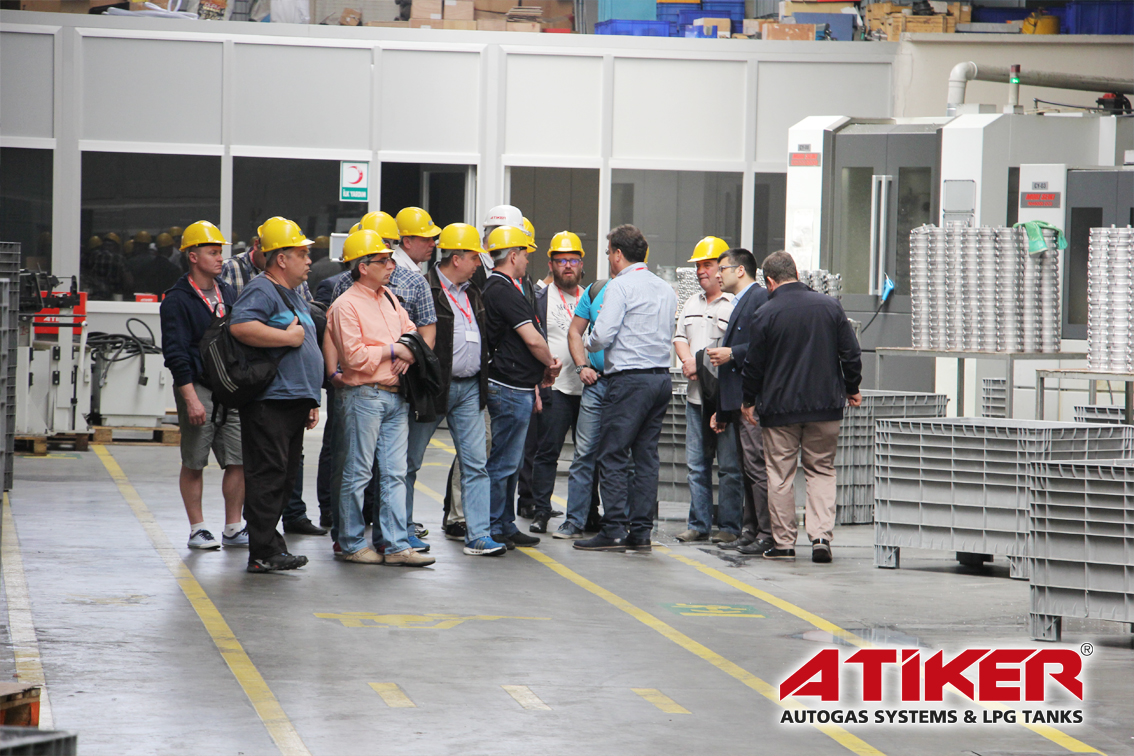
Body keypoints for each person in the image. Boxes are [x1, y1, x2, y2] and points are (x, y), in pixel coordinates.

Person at [740, 251, 862, 563]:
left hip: (779, 410)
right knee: (821, 470)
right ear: (796, 274)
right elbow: (850, 353)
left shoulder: (765, 313)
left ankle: (784, 544)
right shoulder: (830, 306)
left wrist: (749, 400)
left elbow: (754, 364)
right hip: (825, 406)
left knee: (780, 475)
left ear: (769, 282)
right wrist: (852, 388)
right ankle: (821, 537)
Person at [326, 229, 434, 567]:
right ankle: (351, 543)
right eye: (383, 261)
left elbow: (412, 331)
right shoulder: (345, 306)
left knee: (394, 473)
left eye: (390, 260)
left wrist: (408, 352)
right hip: (364, 396)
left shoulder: (388, 297)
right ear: (363, 267)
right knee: (358, 472)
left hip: (394, 396)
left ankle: (395, 544)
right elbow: (355, 357)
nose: (391, 265)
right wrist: (394, 350)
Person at [403, 223, 505, 557]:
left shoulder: (473, 291)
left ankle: (479, 535)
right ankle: (402, 532)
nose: (479, 264)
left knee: (476, 464)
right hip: (433, 388)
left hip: (470, 388)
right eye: (474, 257)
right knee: (409, 462)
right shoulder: (425, 288)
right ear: (457, 258)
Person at [229, 217, 323, 574]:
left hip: (294, 399)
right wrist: (286, 338)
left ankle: (271, 546)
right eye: (302, 254)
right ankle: (262, 551)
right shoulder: (262, 289)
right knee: (268, 475)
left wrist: (311, 399)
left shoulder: (293, 293)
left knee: (283, 477)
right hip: (272, 401)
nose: (309, 261)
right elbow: (241, 325)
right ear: (281, 258)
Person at [575, 224, 677, 553]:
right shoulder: (664, 288)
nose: (608, 259)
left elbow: (603, 334)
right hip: (660, 379)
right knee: (646, 457)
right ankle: (641, 531)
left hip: (629, 380)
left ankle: (614, 528)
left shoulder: (620, 286)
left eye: (608, 253)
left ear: (618, 254)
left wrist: (589, 342)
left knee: (613, 453)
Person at [159, 220, 247, 550]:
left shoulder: (228, 292)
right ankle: (197, 529)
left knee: (238, 459)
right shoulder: (177, 300)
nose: (220, 258)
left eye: (220, 252)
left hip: (230, 388)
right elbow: (176, 353)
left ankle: (233, 526)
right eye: (212, 252)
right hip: (198, 387)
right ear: (193, 256)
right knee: (195, 460)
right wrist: (190, 398)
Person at [481, 225, 561, 548]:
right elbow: (533, 339)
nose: (528, 260)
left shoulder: (508, 288)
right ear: (513, 255)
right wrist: (550, 364)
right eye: (525, 254)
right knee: (503, 463)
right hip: (509, 388)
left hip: (518, 387)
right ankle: (492, 525)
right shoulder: (502, 290)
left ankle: (504, 522)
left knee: (510, 463)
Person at [673, 237, 743, 544]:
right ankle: (699, 524)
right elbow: (679, 337)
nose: (701, 270)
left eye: (708, 264)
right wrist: (688, 361)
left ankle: (729, 526)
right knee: (696, 465)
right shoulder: (691, 303)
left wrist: (699, 364)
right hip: (696, 398)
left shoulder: (735, 304)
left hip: (724, 398)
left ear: (722, 268)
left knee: (729, 466)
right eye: (698, 265)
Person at [708, 247, 772, 555]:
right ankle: (750, 529)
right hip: (737, 400)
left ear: (740, 270)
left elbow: (765, 346)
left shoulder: (759, 298)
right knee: (747, 468)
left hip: (752, 401)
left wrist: (732, 352)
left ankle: (766, 533)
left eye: (722, 268)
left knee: (757, 468)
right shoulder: (739, 302)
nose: (717, 274)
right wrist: (722, 409)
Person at [525, 231, 586, 534]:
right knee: (547, 452)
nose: (567, 266)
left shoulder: (591, 296)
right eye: (561, 261)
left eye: (573, 260)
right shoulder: (539, 299)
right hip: (555, 388)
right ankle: (541, 511)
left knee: (588, 455)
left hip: (588, 388)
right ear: (550, 264)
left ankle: (588, 512)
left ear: (581, 263)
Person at [554, 265, 612, 539]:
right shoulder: (596, 290)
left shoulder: (642, 291)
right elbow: (575, 332)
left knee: (621, 455)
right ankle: (574, 521)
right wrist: (581, 367)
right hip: (596, 383)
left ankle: (618, 522)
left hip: (626, 385)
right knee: (584, 454)